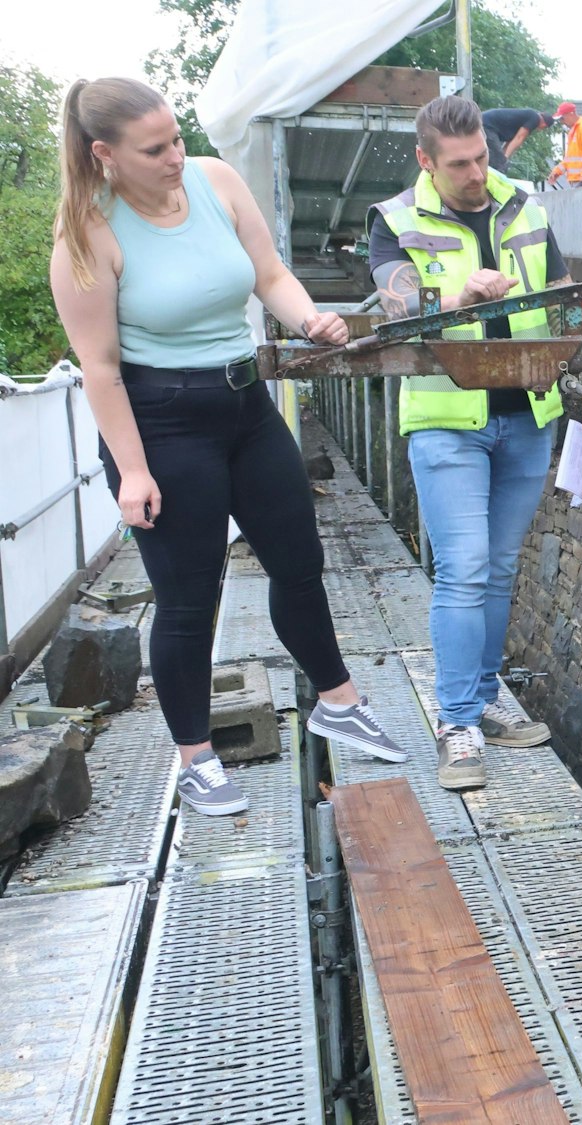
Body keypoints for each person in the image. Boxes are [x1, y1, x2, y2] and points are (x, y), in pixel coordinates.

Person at [46, 78, 409, 817]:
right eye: (155, 149)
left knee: (299, 561)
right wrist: (135, 472)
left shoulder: (215, 179)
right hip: (160, 419)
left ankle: (337, 699)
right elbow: (102, 370)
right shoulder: (88, 235)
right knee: (189, 599)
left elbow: (270, 274)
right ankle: (196, 755)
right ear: (104, 155)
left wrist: (311, 319)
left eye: (177, 138)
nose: (176, 156)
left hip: (245, 404)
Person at [367, 95, 582, 791]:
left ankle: (479, 702)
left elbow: (565, 306)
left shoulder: (525, 206)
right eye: (460, 164)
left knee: (500, 568)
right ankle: (455, 725)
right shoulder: (394, 221)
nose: (478, 173)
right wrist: (458, 300)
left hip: (527, 416)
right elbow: (394, 314)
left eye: (482, 156)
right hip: (448, 419)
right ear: (427, 162)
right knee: (466, 567)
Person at [480, 107, 551, 176]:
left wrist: (504, 157)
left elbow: (511, 142)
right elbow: (519, 138)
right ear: (544, 125)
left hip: (484, 122)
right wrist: (504, 159)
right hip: (487, 125)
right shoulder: (535, 118)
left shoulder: (524, 120)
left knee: (496, 161)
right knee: (499, 164)